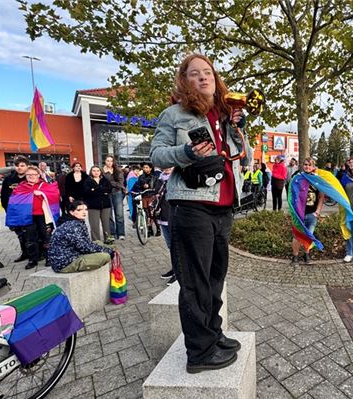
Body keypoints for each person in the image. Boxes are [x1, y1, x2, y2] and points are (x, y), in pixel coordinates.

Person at [150, 53, 252, 373]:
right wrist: (186, 152)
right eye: (195, 74)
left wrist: (238, 130)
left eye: (208, 72)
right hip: (192, 207)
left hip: (223, 209)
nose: (203, 78)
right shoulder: (174, 114)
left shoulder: (224, 116)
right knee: (194, 282)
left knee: (214, 279)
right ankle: (199, 352)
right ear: (185, 79)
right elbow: (157, 156)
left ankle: (213, 334)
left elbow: (241, 159)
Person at [5, 165, 60, 269]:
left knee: (46, 238)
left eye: (33, 174)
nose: (31, 176)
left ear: (38, 175)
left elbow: (55, 194)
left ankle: (49, 258)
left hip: (43, 216)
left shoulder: (45, 185)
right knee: (30, 239)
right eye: (28, 174)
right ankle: (32, 260)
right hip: (28, 216)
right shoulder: (21, 186)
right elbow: (14, 200)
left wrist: (42, 193)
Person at [47, 201, 115, 273]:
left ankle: (111, 248)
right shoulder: (72, 225)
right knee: (105, 256)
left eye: (85, 209)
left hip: (72, 254)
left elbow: (85, 244)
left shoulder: (76, 221)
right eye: (79, 210)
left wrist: (107, 248)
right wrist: (108, 251)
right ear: (71, 212)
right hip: (65, 263)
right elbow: (84, 247)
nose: (84, 212)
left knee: (98, 243)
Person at [290, 158, 325, 266]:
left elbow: (321, 197)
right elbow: (291, 195)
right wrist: (293, 211)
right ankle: (295, 256)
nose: (307, 167)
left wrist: (318, 211)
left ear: (313, 167)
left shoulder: (317, 180)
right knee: (297, 236)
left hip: (312, 213)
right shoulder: (297, 178)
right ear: (302, 165)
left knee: (309, 235)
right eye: (305, 164)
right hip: (299, 214)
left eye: (310, 165)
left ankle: (306, 254)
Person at [1, 156, 29, 262]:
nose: (19, 168)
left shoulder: (31, 177)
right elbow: (4, 197)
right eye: (17, 166)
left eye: (22, 165)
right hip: (15, 213)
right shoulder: (9, 180)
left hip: (29, 212)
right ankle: (24, 253)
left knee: (31, 234)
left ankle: (36, 254)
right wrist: (8, 210)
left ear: (27, 166)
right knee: (20, 235)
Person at [155, 167, 176, 285]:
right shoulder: (160, 178)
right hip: (162, 216)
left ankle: (179, 272)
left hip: (173, 216)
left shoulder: (177, 177)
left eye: (170, 165)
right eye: (165, 165)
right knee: (170, 246)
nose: (167, 168)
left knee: (176, 246)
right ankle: (175, 269)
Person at [83, 166, 113, 243]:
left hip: (105, 205)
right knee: (94, 225)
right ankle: (96, 241)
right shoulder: (87, 181)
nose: (96, 172)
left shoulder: (104, 180)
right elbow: (87, 192)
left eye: (98, 171)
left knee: (106, 224)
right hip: (93, 206)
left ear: (100, 172)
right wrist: (102, 191)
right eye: (94, 171)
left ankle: (108, 239)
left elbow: (109, 189)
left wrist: (95, 189)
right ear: (91, 172)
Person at [103, 155, 126, 240]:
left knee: (119, 214)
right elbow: (101, 182)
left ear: (113, 162)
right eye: (108, 161)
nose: (109, 162)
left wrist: (109, 182)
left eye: (111, 161)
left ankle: (121, 233)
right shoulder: (101, 171)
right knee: (109, 215)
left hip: (117, 193)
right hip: (106, 194)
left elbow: (120, 184)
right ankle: (112, 233)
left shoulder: (118, 171)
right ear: (105, 161)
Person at [136, 162, 161, 236]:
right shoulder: (141, 177)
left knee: (152, 214)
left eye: (146, 167)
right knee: (146, 213)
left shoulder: (154, 176)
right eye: (144, 167)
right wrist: (143, 186)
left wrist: (149, 186)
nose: (145, 169)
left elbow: (156, 187)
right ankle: (149, 229)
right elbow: (138, 186)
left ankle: (158, 228)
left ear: (150, 168)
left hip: (152, 196)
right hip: (144, 196)